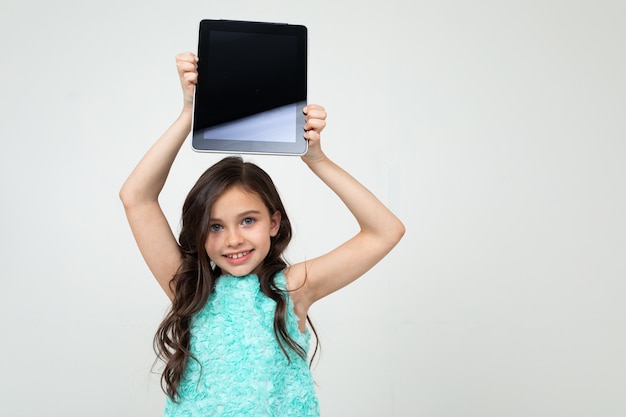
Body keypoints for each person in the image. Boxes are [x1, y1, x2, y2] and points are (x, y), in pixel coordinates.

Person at [119, 52, 405, 416]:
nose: (233, 239)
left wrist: (317, 159)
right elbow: (136, 197)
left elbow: (385, 231)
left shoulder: (295, 287)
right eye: (215, 226)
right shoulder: (189, 289)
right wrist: (189, 114)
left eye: (248, 221)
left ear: (274, 223)